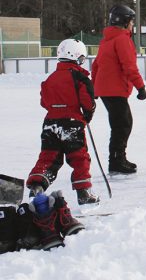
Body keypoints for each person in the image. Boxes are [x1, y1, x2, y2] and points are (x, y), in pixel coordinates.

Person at [26, 39, 99, 205]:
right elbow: (88, 102)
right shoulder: (80, 77)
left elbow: (44, 102)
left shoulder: (50, 78)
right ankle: (84, 192)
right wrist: (87, 115)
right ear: (77, 57)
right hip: (72, 124)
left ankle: (37, 185)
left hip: (50, 123)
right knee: (79, 158)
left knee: (48, 157)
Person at [92, 4, 146, 174]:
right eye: (131, 21)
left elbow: (96, 66)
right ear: (124, 22)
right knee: (122, 125)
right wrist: (141, 87)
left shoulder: (107, 40)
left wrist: (94, 87)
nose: (132, 25)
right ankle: (116, 161)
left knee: (120, 124)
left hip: (106, 90)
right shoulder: (122, 39)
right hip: (114, 90)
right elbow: (129, 66)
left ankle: (118, 158)